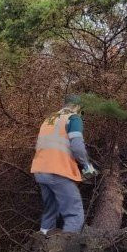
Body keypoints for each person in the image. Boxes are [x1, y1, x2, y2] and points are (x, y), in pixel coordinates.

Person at [30, 95, 97, 234]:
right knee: (74, 212)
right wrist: (87, 166)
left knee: (50, 211)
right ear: (77, 107)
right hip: (57, 171)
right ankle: (66, 251)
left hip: (40, 170)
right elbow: (77, 145)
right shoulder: (73, 118)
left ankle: (41, 247)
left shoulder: (49, 119)